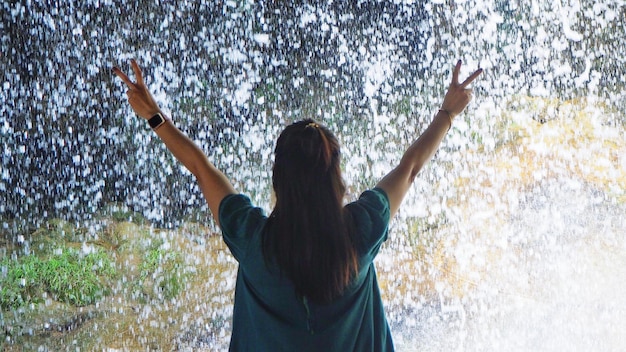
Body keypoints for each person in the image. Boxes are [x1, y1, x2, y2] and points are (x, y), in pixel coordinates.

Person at [113, 59, 482, 351]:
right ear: (336, 180)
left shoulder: (253, 241)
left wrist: (154, 116)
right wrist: (447, 113)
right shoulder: (363, 230)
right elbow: (411, 168)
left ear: (278, 180)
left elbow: (199, 167)